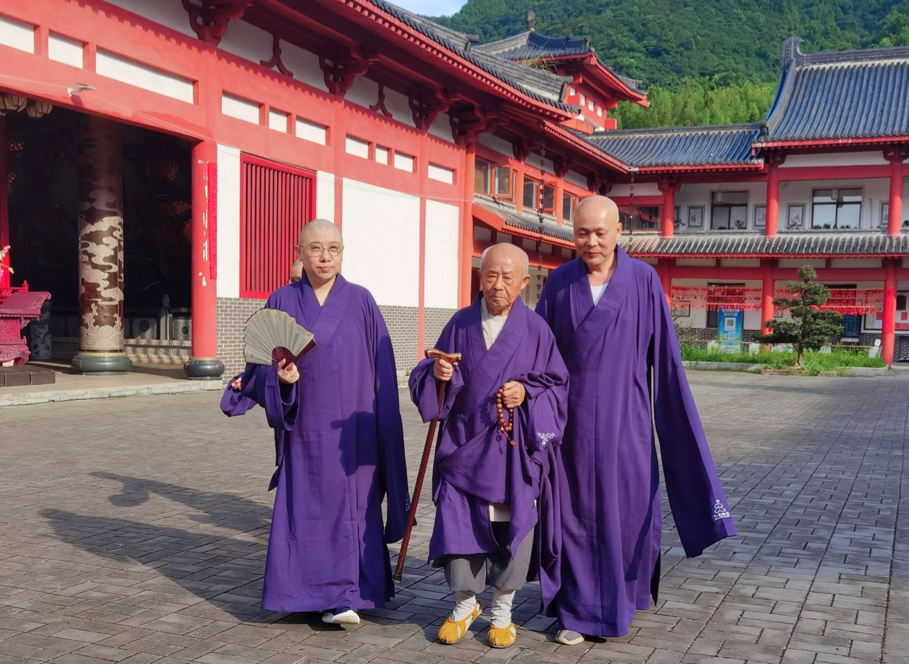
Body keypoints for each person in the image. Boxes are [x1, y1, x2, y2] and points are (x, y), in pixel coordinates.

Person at [534, 196, 735, 644]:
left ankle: (622, 596)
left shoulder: (643, 280)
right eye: (582, 232)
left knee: (625, 514)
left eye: (600, 232)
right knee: (575, 515)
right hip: (571, 424)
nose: (591, 241)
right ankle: (580, 612)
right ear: (573, 234)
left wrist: (673, 429)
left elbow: (664, 364)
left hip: (628, 424)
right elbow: (538, 353)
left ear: (619, 231)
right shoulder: (558, 283)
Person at [221, 219, 409, 625]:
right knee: (305, 509)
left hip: (353, 433)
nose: (325, 257)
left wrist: (384, 426)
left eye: (334, 249)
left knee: (351, 510)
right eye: (316, 248)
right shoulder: (281, 299)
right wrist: (282, 381)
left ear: (343, 253)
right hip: (305, 427)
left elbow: (382, 369)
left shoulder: (361, 301)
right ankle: (301, 593)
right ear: (299, 252)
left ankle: (344, 595)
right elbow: (263, 364)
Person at [409, 243, 568, 649]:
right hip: (463, 447)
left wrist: (527, 392)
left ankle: (502, 609)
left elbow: (557, 385)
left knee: (510, 527)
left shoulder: (536, 330)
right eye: (490, 276)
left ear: (524, 283)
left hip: (512, 452)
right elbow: (429, 373)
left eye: (507, 277)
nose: (497, 285)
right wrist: (438, 372)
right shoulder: (460, 324)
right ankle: (464, 604)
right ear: (479, 277)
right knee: (458, 524)